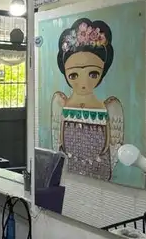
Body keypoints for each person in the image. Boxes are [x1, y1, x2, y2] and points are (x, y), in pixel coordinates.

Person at [50, 17, 123, 181]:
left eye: (93, 74)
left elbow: (112, 147)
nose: (83, 83)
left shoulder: (109, 107)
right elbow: (59, 143)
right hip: (69, 171)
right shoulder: (61, 103)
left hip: (99, 171)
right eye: (74, 75)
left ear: (102, 72)